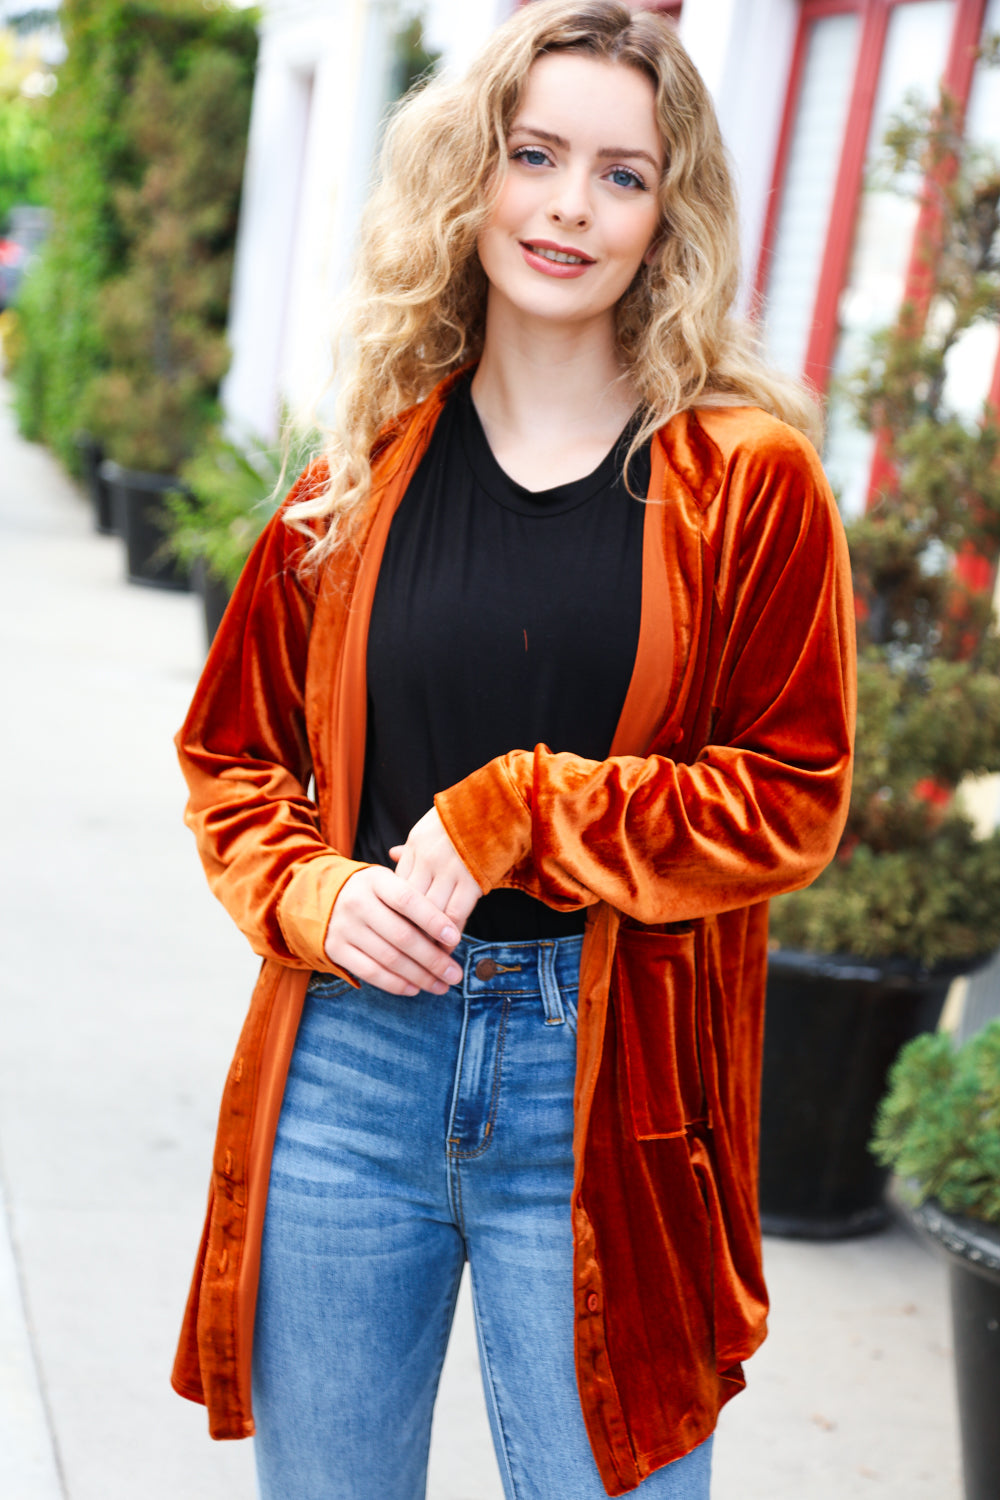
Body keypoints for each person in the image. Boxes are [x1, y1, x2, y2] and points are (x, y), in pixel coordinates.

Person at [170, 3, 856, 1497]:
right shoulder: (352, 477)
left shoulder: (748, 483)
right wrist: (314, 898)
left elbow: (791, 797)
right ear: (469, 176)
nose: (567, 205)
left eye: (621, 173)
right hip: (348, 1069)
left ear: (670, 212)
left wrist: (520, 815)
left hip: (602, 1091)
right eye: (533, 154)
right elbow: (231, 762)